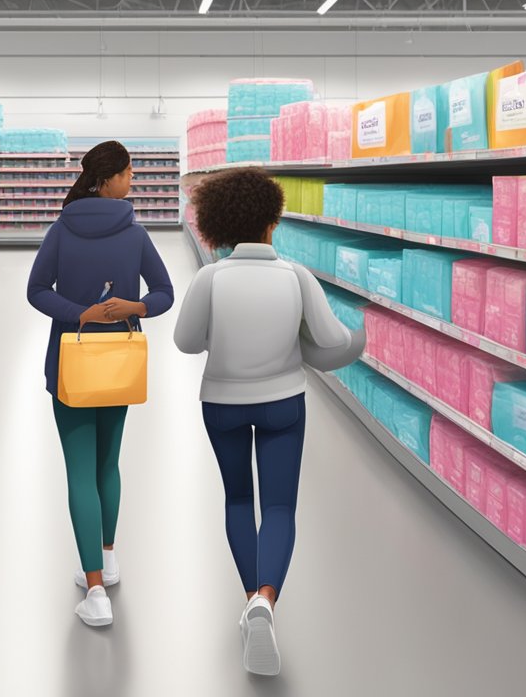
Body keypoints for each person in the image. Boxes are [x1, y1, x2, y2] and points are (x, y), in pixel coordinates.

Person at [173, 167, 365, 675]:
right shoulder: (296, 276)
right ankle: (265, 601)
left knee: (238, 498)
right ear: (271, 222)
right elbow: (330, 339)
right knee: (279, 506)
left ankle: (248, 599)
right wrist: (357, 337)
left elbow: (185, 342)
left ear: (216, 226)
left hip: (222, 404)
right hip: (283, 404)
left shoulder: (209, 278)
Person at [27, 140, 174, 627]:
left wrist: (78, 314)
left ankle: (95, 590)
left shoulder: (61, 230)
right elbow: (165, 292)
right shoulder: (134, 232)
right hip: (119, 364)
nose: (133, 181)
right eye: (129, 173)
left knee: (78, 471)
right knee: (108, 463)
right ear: (108, 179)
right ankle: (107, 559)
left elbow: (36, 291)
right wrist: (135, 309)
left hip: (72, 364)